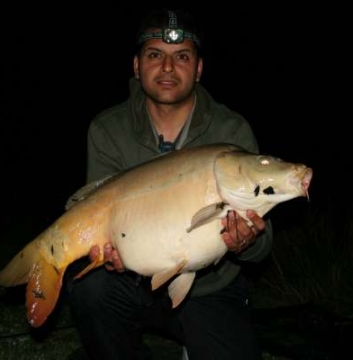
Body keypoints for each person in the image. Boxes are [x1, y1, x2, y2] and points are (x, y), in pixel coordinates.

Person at [66, 8, 273, 360]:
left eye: (181, 57)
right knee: (90, 287)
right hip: (131, 282)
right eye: (154, 55)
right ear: (136, 66)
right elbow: (98, 216)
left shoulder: (231, 132)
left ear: (199, 69)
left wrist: (246, 241)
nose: (167, 68)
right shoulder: (107, 129)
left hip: (210, 288)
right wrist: (106, 253)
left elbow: (263, 246)